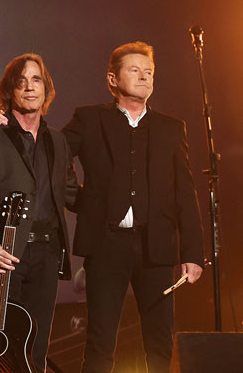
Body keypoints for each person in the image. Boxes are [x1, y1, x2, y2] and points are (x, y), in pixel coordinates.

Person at [65, 41, 204, 373]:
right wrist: (83, 201)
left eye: (149, 72)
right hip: (106, 243)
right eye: (135, 70)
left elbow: (185, 193)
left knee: (160, 341)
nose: (144, 77)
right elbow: (52, 155)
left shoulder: (172, 128)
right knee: (100, 342)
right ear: (112, 79)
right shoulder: (89, 118)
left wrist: (193, 253)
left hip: (156, 247)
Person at [0, 53, 78, 372]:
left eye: (36, 79)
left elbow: (72, 195)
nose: (29, 87)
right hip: (5, 252)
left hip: (47, 253)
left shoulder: (57, 141)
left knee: (35, 349)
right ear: (9, 91)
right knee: (3, 349)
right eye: (21, 81)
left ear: (46, 89)